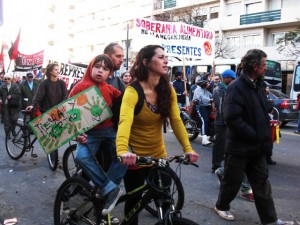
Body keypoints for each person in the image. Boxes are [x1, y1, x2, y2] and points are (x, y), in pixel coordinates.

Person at [116, 45, 199, 225]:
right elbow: (125, 122)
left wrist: (188, 148)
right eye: (160, 57)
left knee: (165, 200)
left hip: (159, 156)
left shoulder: (167, 90)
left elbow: (176, 121)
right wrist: (122, 150)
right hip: (135, 158)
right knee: (134, 204)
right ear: (146, 62)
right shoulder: (132, 92)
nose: (166, 60)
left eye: (166, 57)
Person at [214, 49, 294, 225]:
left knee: (261, 183)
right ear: (254, 66)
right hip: (239, 148)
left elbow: (260, 110)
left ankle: (270, 220)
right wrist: (254, 135)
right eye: (264, 64)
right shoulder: (236, 87)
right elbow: (232, 118)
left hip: (257, 148)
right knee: (232, 182)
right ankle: (221, 206)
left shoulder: (259, 85)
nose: (265, 68)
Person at [68, 54, 127, 216]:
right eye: (97, 67)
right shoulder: (79, 87)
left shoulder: (110, 88)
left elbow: (126, 99)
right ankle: (109, 189)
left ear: (110, 73)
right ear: (90, 67)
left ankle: (109, 189)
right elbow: (68, 113)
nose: (100, 71)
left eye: (105, 69)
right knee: (81, 156)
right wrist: (77, 134)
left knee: (124, 154)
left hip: (110, 131)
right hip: (89, 133)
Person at [193, 75, 213, 146]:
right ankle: (204, 140)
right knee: (205, 121)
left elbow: (211, 95)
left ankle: (212, 135)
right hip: (200, 107)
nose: (208, 84)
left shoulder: (205, 90)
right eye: (207, 83)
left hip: (207, 107)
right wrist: (210, 100)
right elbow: (202, 98)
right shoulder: (198, 90)